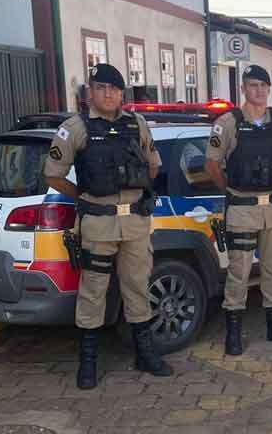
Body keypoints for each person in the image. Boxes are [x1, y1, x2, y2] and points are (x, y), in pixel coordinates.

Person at [44, 64, 171, 390]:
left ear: (121, 93)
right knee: (93, 291)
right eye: (101, 87)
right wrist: (85, 197)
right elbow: (53, 175)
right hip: (98, 223)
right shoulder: (75, 128)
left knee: (137, 287)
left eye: (114, 88)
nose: (108, 94)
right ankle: (88, 363)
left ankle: (145, 354)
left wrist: (136, 193)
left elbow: (153, 166)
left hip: (135, 223)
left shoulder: (137, 124)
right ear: (91, 92)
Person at [205, 64, 272, 356]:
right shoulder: (228, 123)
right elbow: (212, 164)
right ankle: (233, 333)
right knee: (239, 272)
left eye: (263, 85)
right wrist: (232, 190)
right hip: (243, 209)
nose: (259, 90)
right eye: (253, 85)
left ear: (269, 89)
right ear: (243, 88)